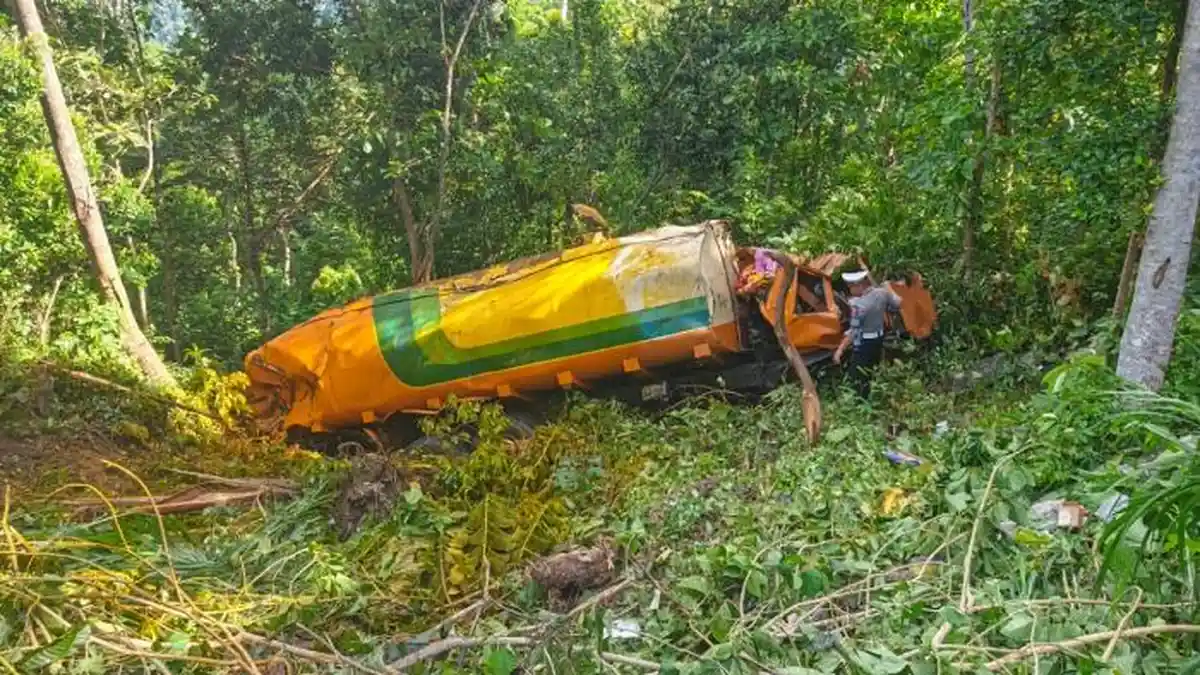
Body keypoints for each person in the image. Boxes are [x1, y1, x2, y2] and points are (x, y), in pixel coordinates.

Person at [833, 269, 902, 398]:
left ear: (859, 285)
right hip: (879, 339)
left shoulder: (858, 305)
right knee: (871, 369)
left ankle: (861, 401)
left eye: (850, 287)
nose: (850, 290)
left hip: (864, 344)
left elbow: (853, 331)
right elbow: (898, 304)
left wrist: (840, 350)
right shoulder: (882, 293)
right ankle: (873, 395)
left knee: (858, 377)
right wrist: (889, 288)